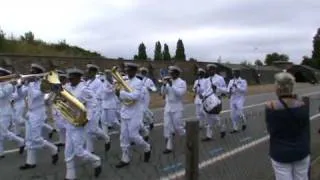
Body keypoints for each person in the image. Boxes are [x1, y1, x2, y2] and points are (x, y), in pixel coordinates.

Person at [265, 72, 310, 180]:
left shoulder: (270, 106)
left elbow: (270, 129)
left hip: (280, 152)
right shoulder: (302, 105)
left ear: (278, 88)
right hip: (301, 150)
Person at [61, 68, 102, 179]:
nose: (70, 80)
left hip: (79, 123)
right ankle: (70, 176)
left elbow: (93, 103)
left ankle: (96, 161)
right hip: (69, 122)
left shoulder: (84, 89)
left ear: (79, 78)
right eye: (69, 78)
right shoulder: (68, 87)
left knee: (79, 151)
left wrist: (87, 118)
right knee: (68, 151)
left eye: (73, 78)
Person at [18, 63, 58, 170]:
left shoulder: (43, 84)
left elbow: (36, 95)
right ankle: (30, 163)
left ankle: (53, 149)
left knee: (36, 138)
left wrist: (28, 84)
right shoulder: (30, 84)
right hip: (30, 113)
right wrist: (19, 85)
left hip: (38, 113)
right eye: (30, 71)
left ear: (38, 74)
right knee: (29, 139)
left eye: (33, 72)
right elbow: (21, 95)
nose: (30, 73)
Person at [115, 62, 151, 168]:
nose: (127, 72)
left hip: (135, 113)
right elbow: (121, 97)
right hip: (125, 111)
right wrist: (118, 94)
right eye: (126, 70)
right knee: (123, 137)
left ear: (134, 71)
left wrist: (121, 94)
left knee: (133, 135)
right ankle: (125, 159)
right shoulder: (124, 81)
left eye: (129, 70)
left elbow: (135, 96)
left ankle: (147, 147)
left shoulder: (138, 82)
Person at [161, 65, 187, 154]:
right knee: (167, 126)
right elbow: (163, 94)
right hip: (168, 107)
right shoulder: (168, 82)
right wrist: (164, 85)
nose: (171, 75)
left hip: (177, 107)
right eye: (170, 73)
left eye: (172, 73)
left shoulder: (182, 82)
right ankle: (169, 147)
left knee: (178, 127)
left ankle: (188, 136)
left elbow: (180, 94)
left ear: (177, 73)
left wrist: (172, 86)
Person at [84, 64, 110, 153]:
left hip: (96, 108)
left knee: (93, 129)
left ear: (93, 72)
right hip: (87, 108)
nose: (86, 72)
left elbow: (98, 96)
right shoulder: (87, 82)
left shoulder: (98, 82)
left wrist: (87, 97)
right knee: (87, 130)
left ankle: (106, 138)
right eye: (86, 70)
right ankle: (90, 150)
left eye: (88, 71)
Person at [0, 67, 25, 159]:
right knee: (1, 133)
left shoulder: (9, 85)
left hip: (5, 112)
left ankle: (21, 141)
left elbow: (1, 95)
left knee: (3, 133)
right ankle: (1, 152)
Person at [201, 64, 228, 141]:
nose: (210, 71)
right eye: (209, 70)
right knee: (208, 117)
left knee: (214, 117)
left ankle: (222, 127)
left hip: (216, 100)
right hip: (208, 100)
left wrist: (217, 88)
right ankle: (209, 136)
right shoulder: (206, 80)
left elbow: (225, 90)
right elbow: (205, 90)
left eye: (211, 70)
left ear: (214, 70)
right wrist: (202, 95)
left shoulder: (220, 78)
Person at [99, 69, 120, 135]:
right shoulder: (104, 82)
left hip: (111, 104)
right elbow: (104, 90)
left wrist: (113, 88)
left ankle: (122, 128)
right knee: (103, 120)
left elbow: (108, 90)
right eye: (106, 74)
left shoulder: (113, 82)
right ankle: (106, 136)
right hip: (104, 103)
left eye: (108, 74)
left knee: (113, 121)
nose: (107, 75)